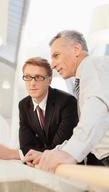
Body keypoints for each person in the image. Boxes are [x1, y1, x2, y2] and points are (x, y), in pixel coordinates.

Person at [34, 30, 109, 172]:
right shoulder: (85, 79)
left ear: (76, 49)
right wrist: (51, 154)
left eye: (56, 56)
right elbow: (88, 127)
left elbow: (96, 109)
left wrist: (69, 153)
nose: (52, 65)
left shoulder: (93, 65)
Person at [0, 57, 78, 163]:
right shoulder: (24, 105)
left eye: (38, 77)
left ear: (49, 80)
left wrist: (13, 153)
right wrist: (28, 154)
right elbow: (26, 146)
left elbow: (57, 148)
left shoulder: (67, 102)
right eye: (27, 77)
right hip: (41, 166)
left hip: (69, 164)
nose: (32, 83)